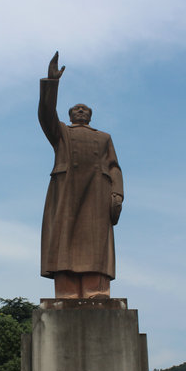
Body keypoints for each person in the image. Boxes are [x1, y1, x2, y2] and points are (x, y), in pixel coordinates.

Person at [38, 52, 124, 299]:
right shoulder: (62, 133)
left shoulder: (104, 137)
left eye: (85, 109)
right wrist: (52, 84)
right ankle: (66, 290)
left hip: (97, 191)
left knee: (95, 240)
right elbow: (45, 115)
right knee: (64, 237)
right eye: (76, 109)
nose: (80, 111)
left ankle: (95, 289)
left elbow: (114, 166)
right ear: (69, 115)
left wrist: (117, 192)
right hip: (67, 190)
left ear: (90, 116)